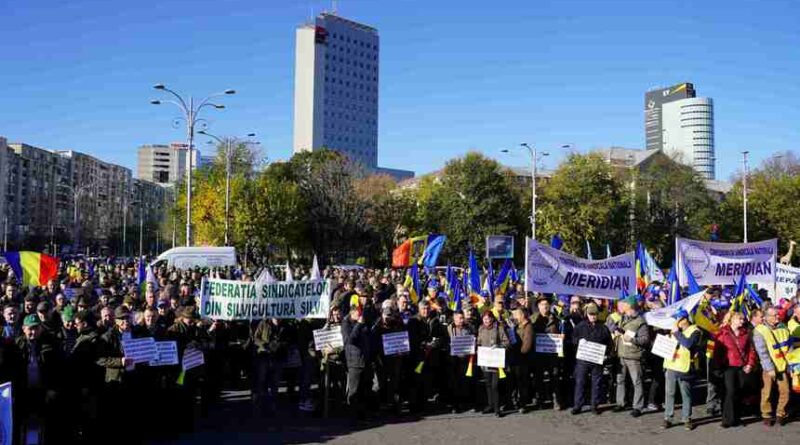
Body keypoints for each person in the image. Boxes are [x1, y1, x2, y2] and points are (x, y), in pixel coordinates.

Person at [715, 311, 756, 428]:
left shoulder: (746, 333)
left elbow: (751, 350)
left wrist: (750, 364)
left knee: (739, 391)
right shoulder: (723, 333)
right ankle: (727, 419)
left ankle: (737, 417)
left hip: (742, 366)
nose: (742, 321)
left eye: (743, 319)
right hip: (728, 367)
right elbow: (717, 351)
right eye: (740, 319)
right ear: (732, 320)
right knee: (730, 392)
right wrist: (718, 367)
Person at [662, 308, 701, 431]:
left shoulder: (695, 331)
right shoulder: (673, 330)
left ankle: (686, 418)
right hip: (671, 365)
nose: (675, 322)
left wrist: (676, 333)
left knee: (686, 393)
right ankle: (668, 417)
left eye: (677, 319)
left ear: (684, 320)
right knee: (669, 393)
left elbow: (688, 344)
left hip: (684, 367)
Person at [753, 307, 792, 426]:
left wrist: (790, 365)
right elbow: (762, 352)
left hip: (782, 365)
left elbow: (789, 346)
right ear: (766, 317)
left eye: (777, 314)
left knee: (785, 391)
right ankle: (766, 414)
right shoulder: (760, 330)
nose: (777, 317)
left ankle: (781, 413)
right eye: (774, 315)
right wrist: (769, 368)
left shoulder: (783, 328)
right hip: (768, 367)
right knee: (767, 392)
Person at [612, 294, 650, 417]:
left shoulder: (640, 321)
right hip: (621, 354)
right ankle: (620, 403)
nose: (621, 306)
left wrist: (632, 339)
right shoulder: (623, 318)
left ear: (630, 306)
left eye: (624, 304)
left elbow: (645, 340)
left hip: (634, 356)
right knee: (620, 380)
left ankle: (638, 407)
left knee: (637, 381)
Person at [571, 303, 611, 415]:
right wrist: (578, 341)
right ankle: (578, 405)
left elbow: (609, 343)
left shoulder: (603, 327)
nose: (593, 316)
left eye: (595, 314)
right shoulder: (580, 326)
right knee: (580, 382)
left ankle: (594, 405)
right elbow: (573, 339)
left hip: (597, 360)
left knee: (596, 383)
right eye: (591, 314)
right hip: (583, 360)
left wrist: (606, 354)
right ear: (587, 314)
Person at [341, 305, 375, 419]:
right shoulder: (346, 324)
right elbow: (350, 340)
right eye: (358, 313)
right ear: (352, 313)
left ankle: (361, 414)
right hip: (354, 362)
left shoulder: (363, 323)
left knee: (363, 390)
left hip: (364, 360)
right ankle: (352, 415)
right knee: (354, 390)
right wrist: (359, 325)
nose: (360, 315)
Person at [531, 295, 564, 410]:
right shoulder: (533, 319)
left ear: (549, 306)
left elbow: (561, 332)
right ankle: (540, 400)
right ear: (538, 306)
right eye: (542, 304)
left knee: (554, 377)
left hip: (552, 354)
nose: (544, 306)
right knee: (538, 378)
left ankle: (556, 400)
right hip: (538, 354)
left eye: (546, 304)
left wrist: (562, 336)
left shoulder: (556, 319)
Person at [477, 309, 509, 417]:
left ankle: (497, 408)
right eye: (484, 319)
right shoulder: (481, 328)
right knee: (488, 384)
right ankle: (490, 405)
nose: (487, 321)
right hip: (485, 361)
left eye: (488, 318)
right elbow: (479, 342)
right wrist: (477, 347)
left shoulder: (499, 328)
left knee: (495, 385)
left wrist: (499, 346)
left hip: (496, 362)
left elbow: (507, 342)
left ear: (492, 318)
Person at [446, 310, 475, 413]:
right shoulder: (449, 328)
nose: (461, 320)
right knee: (454, 382)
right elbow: (445, 341)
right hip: (453, 359)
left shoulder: (469, 328)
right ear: (454, 318)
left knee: (464, 382)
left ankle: (464, 403)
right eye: (459, 318)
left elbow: (473, 339)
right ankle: (455, 405)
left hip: (465, 359)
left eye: (462, 318)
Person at [511, 306, 534, 413]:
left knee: (522, 382)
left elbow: (526, 346)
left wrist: (518, 353)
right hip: (515, 358)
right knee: (516, 381)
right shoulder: (517, 326)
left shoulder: (528, 327)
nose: (514, 317)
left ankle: (523, 404)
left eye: (516, 314)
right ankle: (515, 402)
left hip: (523, 359)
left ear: (523, 315)